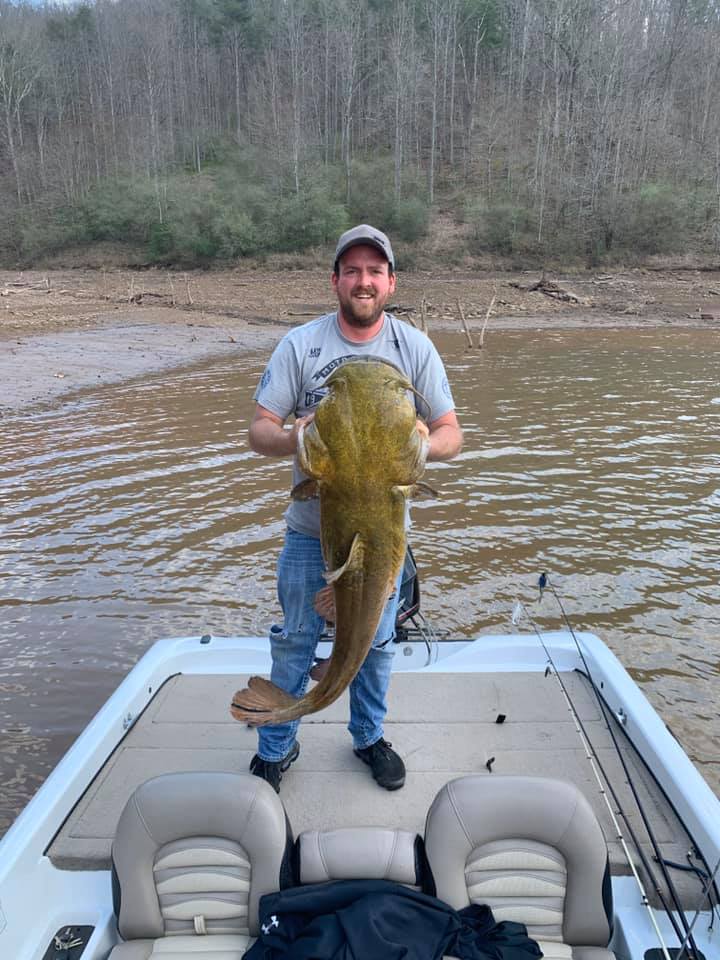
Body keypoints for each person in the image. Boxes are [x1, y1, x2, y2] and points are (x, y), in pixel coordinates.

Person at [248, 224, 462, 793]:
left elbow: (450, 435)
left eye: (374, 271)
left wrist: (423, 446)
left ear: (391, 282)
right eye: (352, 271)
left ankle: (368, 737)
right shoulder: (300, 345)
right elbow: (259, 432)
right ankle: (276, 746)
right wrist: (295, 436)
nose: (363, 281)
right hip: (307, 534)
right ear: (336, 281)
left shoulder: (415, 347)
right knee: (296, 639)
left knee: (377, 644)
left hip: (386, 537)